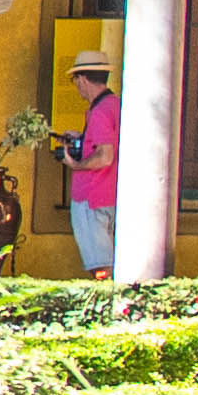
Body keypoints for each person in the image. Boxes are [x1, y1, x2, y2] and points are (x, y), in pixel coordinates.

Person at [67, 50, 123, 274]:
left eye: (75, 80)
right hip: (113, 195)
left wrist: (75, 165)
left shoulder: (99, 112)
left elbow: (104, 156)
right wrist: (82, 140)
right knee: (116, 264)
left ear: (82, 79)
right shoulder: (116, 105)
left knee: (100, 267)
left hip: (92, 196)